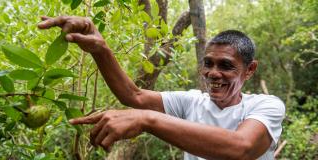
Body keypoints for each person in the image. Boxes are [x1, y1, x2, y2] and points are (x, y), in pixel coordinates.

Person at [38, 15, 285, 160]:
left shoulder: (266, 106)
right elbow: (132, 95)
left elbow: (241, 147)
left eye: (226, 65)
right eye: (208, 63)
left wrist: (148, 120)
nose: (213, 73)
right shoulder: (192, 102)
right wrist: (100, 49)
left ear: (250, 70)